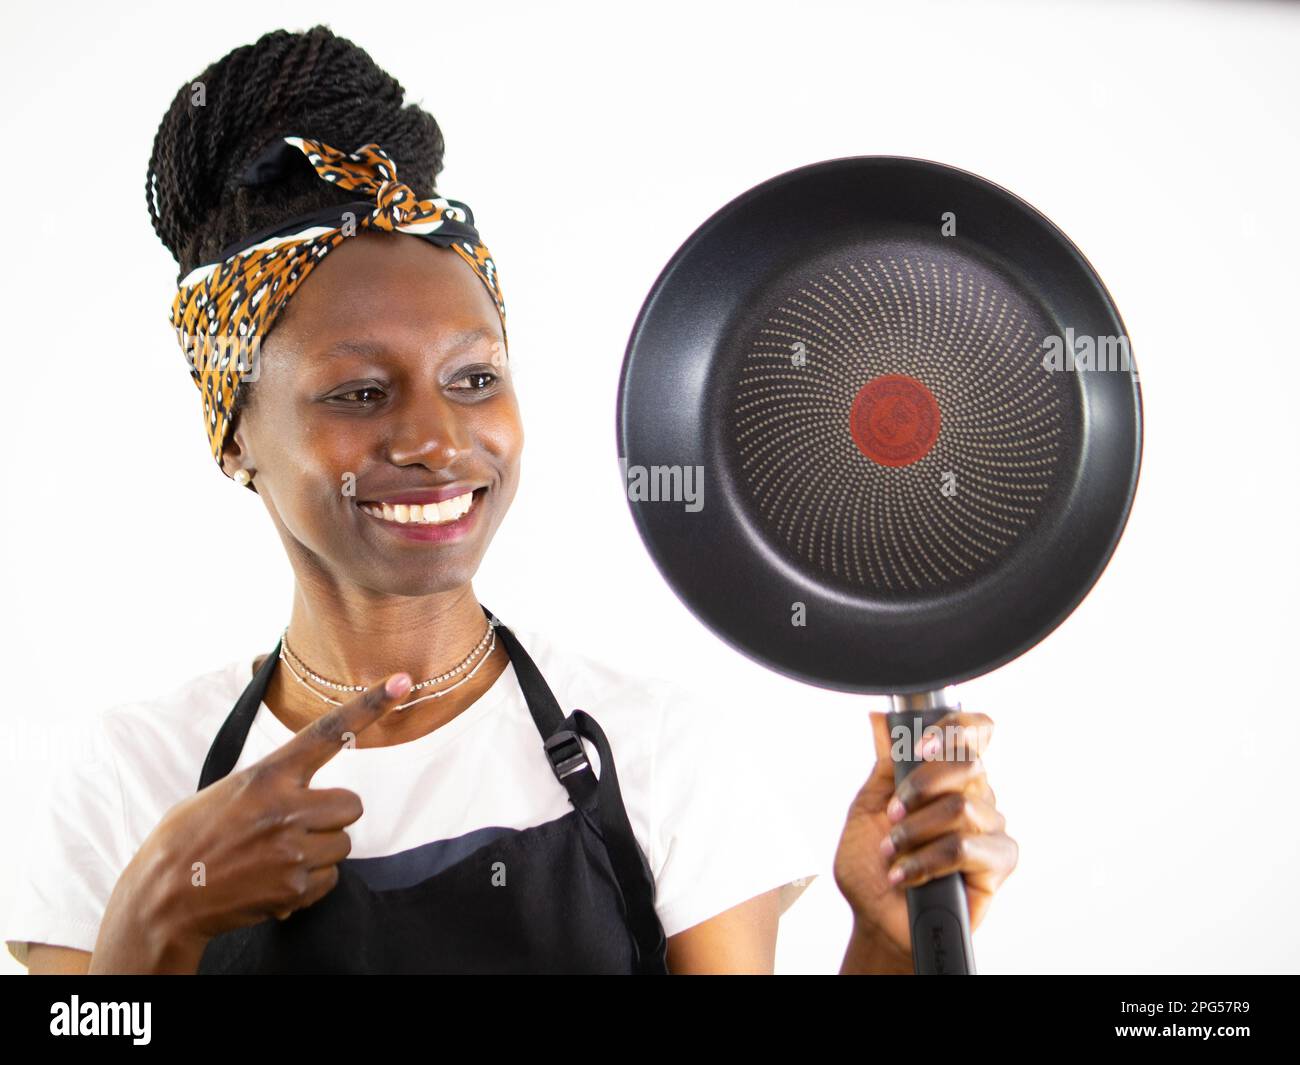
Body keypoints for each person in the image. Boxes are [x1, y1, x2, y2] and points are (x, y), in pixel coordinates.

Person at [4, 25, 1016, 975]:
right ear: (231, 434)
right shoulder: (133, 777)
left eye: (473, 378)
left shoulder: (656, 751)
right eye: (359, 392)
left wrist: (887, 947)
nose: (437, 438)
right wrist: (151, 921)